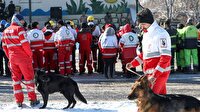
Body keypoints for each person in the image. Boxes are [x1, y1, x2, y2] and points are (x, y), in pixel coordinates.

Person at [126, 8, 171, 95]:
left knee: (150, 101)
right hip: (150, 75)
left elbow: (165, 57)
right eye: (140, 24)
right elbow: (146, 54)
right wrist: (133, 63)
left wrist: (155, 75)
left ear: (149, 22)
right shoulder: (146, 34)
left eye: (143, 24)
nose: (141, 27)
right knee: (161, 102)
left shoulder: (161, 34)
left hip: (159, 74)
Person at [1, 14, 39, 107]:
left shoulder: (5, 31)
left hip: (12, 58)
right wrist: (30, 55)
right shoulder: (20, 29)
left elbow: (4, 46)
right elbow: (25, 44)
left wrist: (9, 57)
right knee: (29, 79)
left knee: (16, 80)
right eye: (21, 20)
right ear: (17, 20)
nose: (23, 22)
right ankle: (33, 99)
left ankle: (18, 101)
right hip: (23, 58)